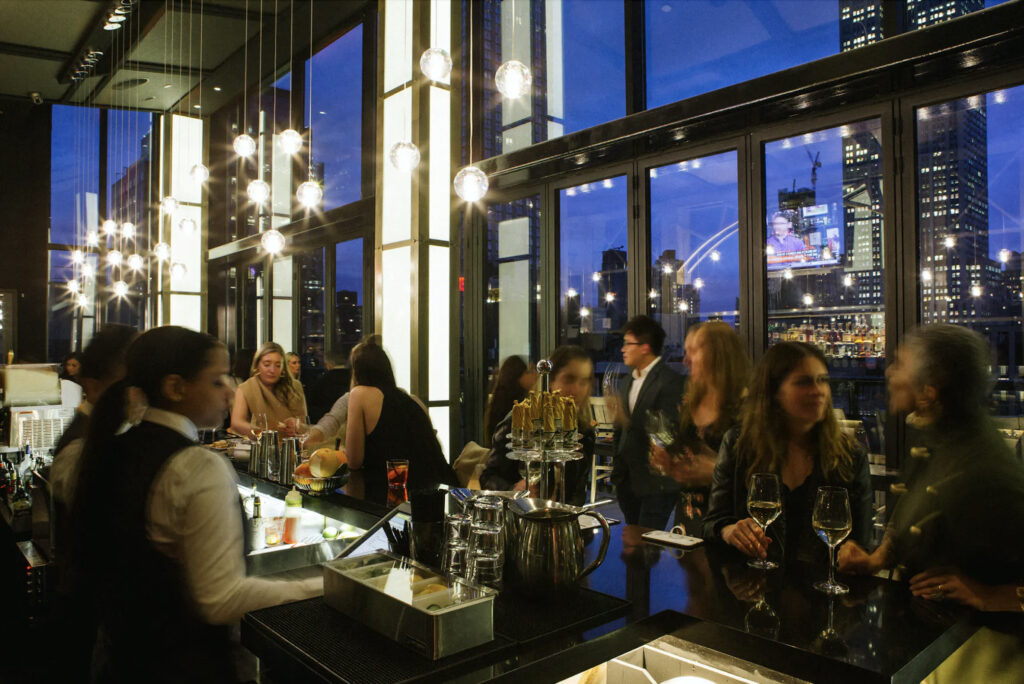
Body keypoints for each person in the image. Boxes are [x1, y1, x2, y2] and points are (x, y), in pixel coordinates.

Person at [70, 326, 321, 683]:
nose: (230, 391)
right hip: (183, 666)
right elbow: (220, 598)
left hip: (119, 660)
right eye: (217, 380)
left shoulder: (115, 447)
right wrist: (320, 585)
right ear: (175, 388)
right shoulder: (197, 466)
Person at [839, 324, 1024, 612]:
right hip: (924, 629)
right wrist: (876, 560)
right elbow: (916, 522)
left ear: (929, 391)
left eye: (900, 364)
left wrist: (993, 596)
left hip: (968, 642)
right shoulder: (937, 436)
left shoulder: (984, 463)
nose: (889, 373)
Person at [704, 342, 872, 565]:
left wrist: (855, 553)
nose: (818, 391)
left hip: (819, 591)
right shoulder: (740, 444)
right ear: (774, 393)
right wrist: (728, 530)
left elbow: (862, 542)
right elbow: (712, 522)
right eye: (804, 382)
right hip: (753, 586)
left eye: (823, 380)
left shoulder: (850, 456)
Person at [650, 322, 751, 535]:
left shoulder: (748, 409)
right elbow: (687, 459)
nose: (685, 360)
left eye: (694, 351)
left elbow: (766, 479)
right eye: (686, 351)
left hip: (732, 528)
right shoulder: (689, 403)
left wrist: (715, 471)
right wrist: (670, 463)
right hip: (688, 525)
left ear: (719, 355)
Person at [480, 345, 595, 505]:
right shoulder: (521, 421)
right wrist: (513, 489)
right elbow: (488, 478)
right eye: (569, 379)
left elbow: (577, 492)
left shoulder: (584, 432)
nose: (576, 389)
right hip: (521, 517)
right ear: (550, 381)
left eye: (584, 381)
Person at [345, 339, 457, 494]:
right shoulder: (411, 399)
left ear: (357, 371)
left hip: (401, 494)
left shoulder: (359, 394)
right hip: (442, 488)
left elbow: (354, 461)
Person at [612, 315, 687, 529]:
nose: (623, 349)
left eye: (628, 343)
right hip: (627, 480)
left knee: (648, 547)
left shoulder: (670, 380)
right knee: (633, 545)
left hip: (655, 483)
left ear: (645, 347)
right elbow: (621, 428)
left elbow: (668, 433)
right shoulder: (627, 380)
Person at [231, 342, 307, 439]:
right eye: (267, 365)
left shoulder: (295, 386)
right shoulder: (245, 388)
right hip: (260, 446)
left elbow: (304, 423)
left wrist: (296, 425)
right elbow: (237, 423)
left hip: (291, 446)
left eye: (278, 365)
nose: (272, 370)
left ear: (283, 368)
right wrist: (261, 432)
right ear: (257, 365)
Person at [482, 355, 537, 447]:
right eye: (529, 372)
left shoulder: (502, 398)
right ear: (517, 376)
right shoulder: (514, 407)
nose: (535, 374)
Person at [307, 349, 352, 423]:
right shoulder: (353, 379)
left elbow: (312, 406)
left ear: (328, 365)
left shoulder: (322, 381)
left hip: (327, 423)